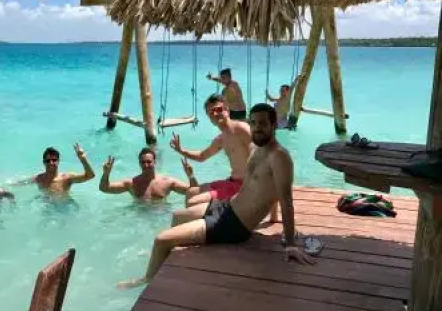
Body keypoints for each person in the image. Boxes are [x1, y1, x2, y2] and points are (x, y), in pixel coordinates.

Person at [117, 103, 315, 289]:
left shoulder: (279, 156)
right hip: (226, 207)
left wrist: (290, 245)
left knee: (161, 239)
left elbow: (286, 199)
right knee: (177, 215)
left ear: (274, 125)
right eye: (253, 123)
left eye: (262, 123)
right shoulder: (257, 149)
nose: (257, 128)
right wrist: (272, 217)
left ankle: (147, 280)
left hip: (234, 225)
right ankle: (167, 255)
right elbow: (265, 188)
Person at [170, 94, 252, 209]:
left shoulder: (241, 129)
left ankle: (216, 218)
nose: (215, 114)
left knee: (193, 202)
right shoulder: (221, 139)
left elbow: (262, 153)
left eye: (218, 109)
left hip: (244, 186)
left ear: (227, 109)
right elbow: (202, 156)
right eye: (211, 112)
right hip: (232, 182)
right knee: (191, 192)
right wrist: (181, 150)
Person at [99, 148, 198, 202]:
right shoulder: (131, 183)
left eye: (149, 162)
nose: (146, 165)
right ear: (139, 163)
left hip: (161, 218)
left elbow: (194, 192)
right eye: (143, 162)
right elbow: (104, 188)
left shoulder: (168, 182)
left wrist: (191, 176)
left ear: (155, 162)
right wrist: (106, 173)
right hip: (139, 222)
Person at [19, 144, 95, 196]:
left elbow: (90, 176)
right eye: (48, 160)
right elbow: (18, 184)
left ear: (58, 161)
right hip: (47, 209)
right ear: (44, 162)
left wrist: (83, 158)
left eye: (54, 160)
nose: (51, 163)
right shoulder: (39, 179)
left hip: (64, 208)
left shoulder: (67, 178)